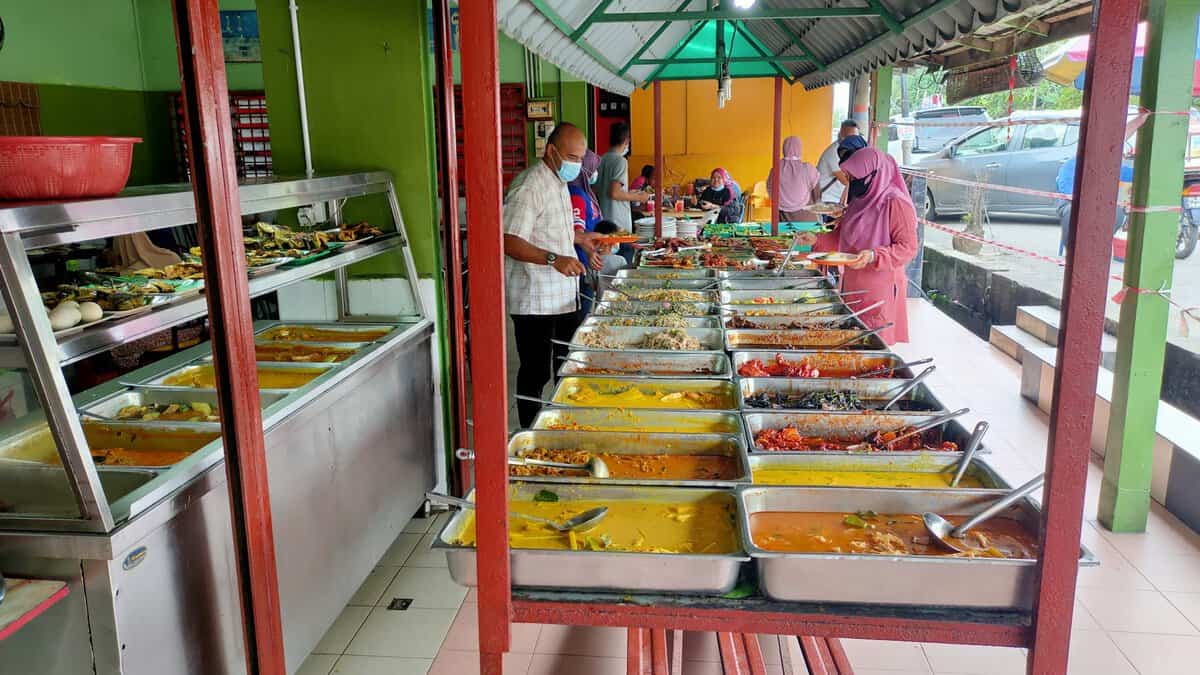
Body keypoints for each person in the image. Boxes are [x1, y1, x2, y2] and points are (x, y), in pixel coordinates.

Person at [503, 122, 598, 427]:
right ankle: (530, 431)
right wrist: (553, 258)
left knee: (565, 365)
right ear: (551, 151)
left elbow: (552, 231)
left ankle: (561, 423)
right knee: (535, 371)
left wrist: (581, 239)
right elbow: (509, 240)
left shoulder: (558, 183)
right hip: (535, 301)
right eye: (571, 157)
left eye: (580, 158)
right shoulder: (529, 186)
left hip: (563, 296)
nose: (576, 165)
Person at [796, 147, 918, 344]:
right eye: (849, 177)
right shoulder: (859, 200)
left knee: (873, 344)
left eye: (855, 177)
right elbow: (843, 237)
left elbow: (908, 247)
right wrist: (816, 239)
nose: (852, 182)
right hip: (853, 281)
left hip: (881, 286)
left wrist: (873, 255)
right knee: (853, 338)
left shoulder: (895, 203)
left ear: (874, 174)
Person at [1055, 155, 1133, 256]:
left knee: (1117, 212)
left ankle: (1100, 246)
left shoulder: (1108, 164)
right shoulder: (1070, 165)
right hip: (1070, 203)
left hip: (1098, 203)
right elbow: (1066, 190)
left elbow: (1131, 174)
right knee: (1072, 213)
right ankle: (1073, 252)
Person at [595, 122, 647, 233]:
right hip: (618, 221)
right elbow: (614, 193)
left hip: (603, 219)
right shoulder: (620, 161)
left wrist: (630, 193)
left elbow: (601, 189)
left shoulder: (601, 159)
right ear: (626, 140)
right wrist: (638, 198)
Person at [568, 150, 603, 313]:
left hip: (587, 260)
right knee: (582, 311)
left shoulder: (586, 193)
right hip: (581, 263)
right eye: (593, 168)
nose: (595, 173)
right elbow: (577, 232)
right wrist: (589, 253)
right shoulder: (577, 195)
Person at [767, 136, 821, 222]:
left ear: (783, 149)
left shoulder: (775, 169)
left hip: (782, 216)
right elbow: (817, 193)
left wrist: (784, 202)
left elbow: (770, 190)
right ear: (800, 149)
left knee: (784, 235)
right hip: (806, 217)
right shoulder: (807, 168)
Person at [817, 120, 862, 203]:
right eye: (850, 138)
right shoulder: (834, 152)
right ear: (841, 135)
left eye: (856, 138)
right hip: (828, 199)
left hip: (838, 198)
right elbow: (845, 180)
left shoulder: (849, 151)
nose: (853, 141)